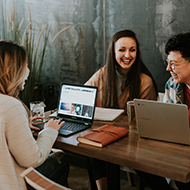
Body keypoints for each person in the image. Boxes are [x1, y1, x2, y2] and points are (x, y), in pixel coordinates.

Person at [85, 29, 158, 190]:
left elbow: (147, 121)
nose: (127, 55)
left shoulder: (144, 81)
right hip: (104, 136)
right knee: (90, 147)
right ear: (113, 52)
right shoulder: (103, 74)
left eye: (132, 50)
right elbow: (83, 97)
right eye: (122, 50)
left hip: (132, 141)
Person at [0, 41, 69, 190]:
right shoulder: (11, 105)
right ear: (10, 72)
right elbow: (32, 158)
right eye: (25, 66)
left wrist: (21, 125)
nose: (29, 70)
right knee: (61, 159)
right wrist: (50, 131)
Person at [135, 32, 190, 190]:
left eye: (173, 63)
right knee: (140, 162)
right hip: (177, 149)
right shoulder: (172, 85)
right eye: (168, 62)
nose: (168, 68)